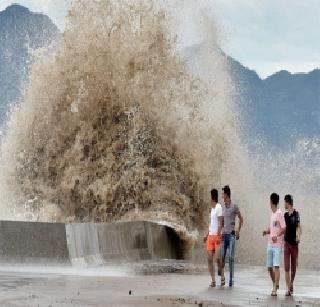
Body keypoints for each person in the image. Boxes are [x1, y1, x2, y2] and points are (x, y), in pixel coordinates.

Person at [263, 193, 286, 297]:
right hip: (270, 244)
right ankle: (275, 283)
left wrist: (276, 236)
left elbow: (284, 228)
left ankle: (274, 288)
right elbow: (272, 228)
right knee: (269, 267)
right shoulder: (272, 214)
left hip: (277, 244)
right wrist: (266, 231)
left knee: (276, 266)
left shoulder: (279, 213)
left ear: (271, 202)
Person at [220, 185, 243, 287]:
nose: (222, 196)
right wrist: (220, 231)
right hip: (224, 235)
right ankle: (222, 277)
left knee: (231, 258)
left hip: (232, 235)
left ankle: (231, 279)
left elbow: (241, 219)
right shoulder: (222, 207)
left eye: (223, 194)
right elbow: (222, 221)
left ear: (226, 194)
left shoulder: (234, 206)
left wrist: (238, 230)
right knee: (222, 258)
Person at [203, 189, 223, 288]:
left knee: (218, 259)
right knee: (209, 259)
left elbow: (221, 223)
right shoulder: (211, 209)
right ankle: (213, 280)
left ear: (212, 197)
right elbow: (211, 224)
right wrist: (206, 235)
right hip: (210, 237)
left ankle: (222, 275)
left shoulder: (219, 207)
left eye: (210, 196)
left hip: (217, 237)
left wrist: (219, 235)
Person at [284, 194, 301, 296]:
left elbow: (299, 227)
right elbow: (283, 228)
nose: (284, 204)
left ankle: (291, 283)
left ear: (288, 202)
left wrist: (298, 236)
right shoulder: (285, 215)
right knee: (286, 267)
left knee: (293, 268)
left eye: (285, 202)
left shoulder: (296, 214)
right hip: (286, 243)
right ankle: (288, 288)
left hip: (294, 244)